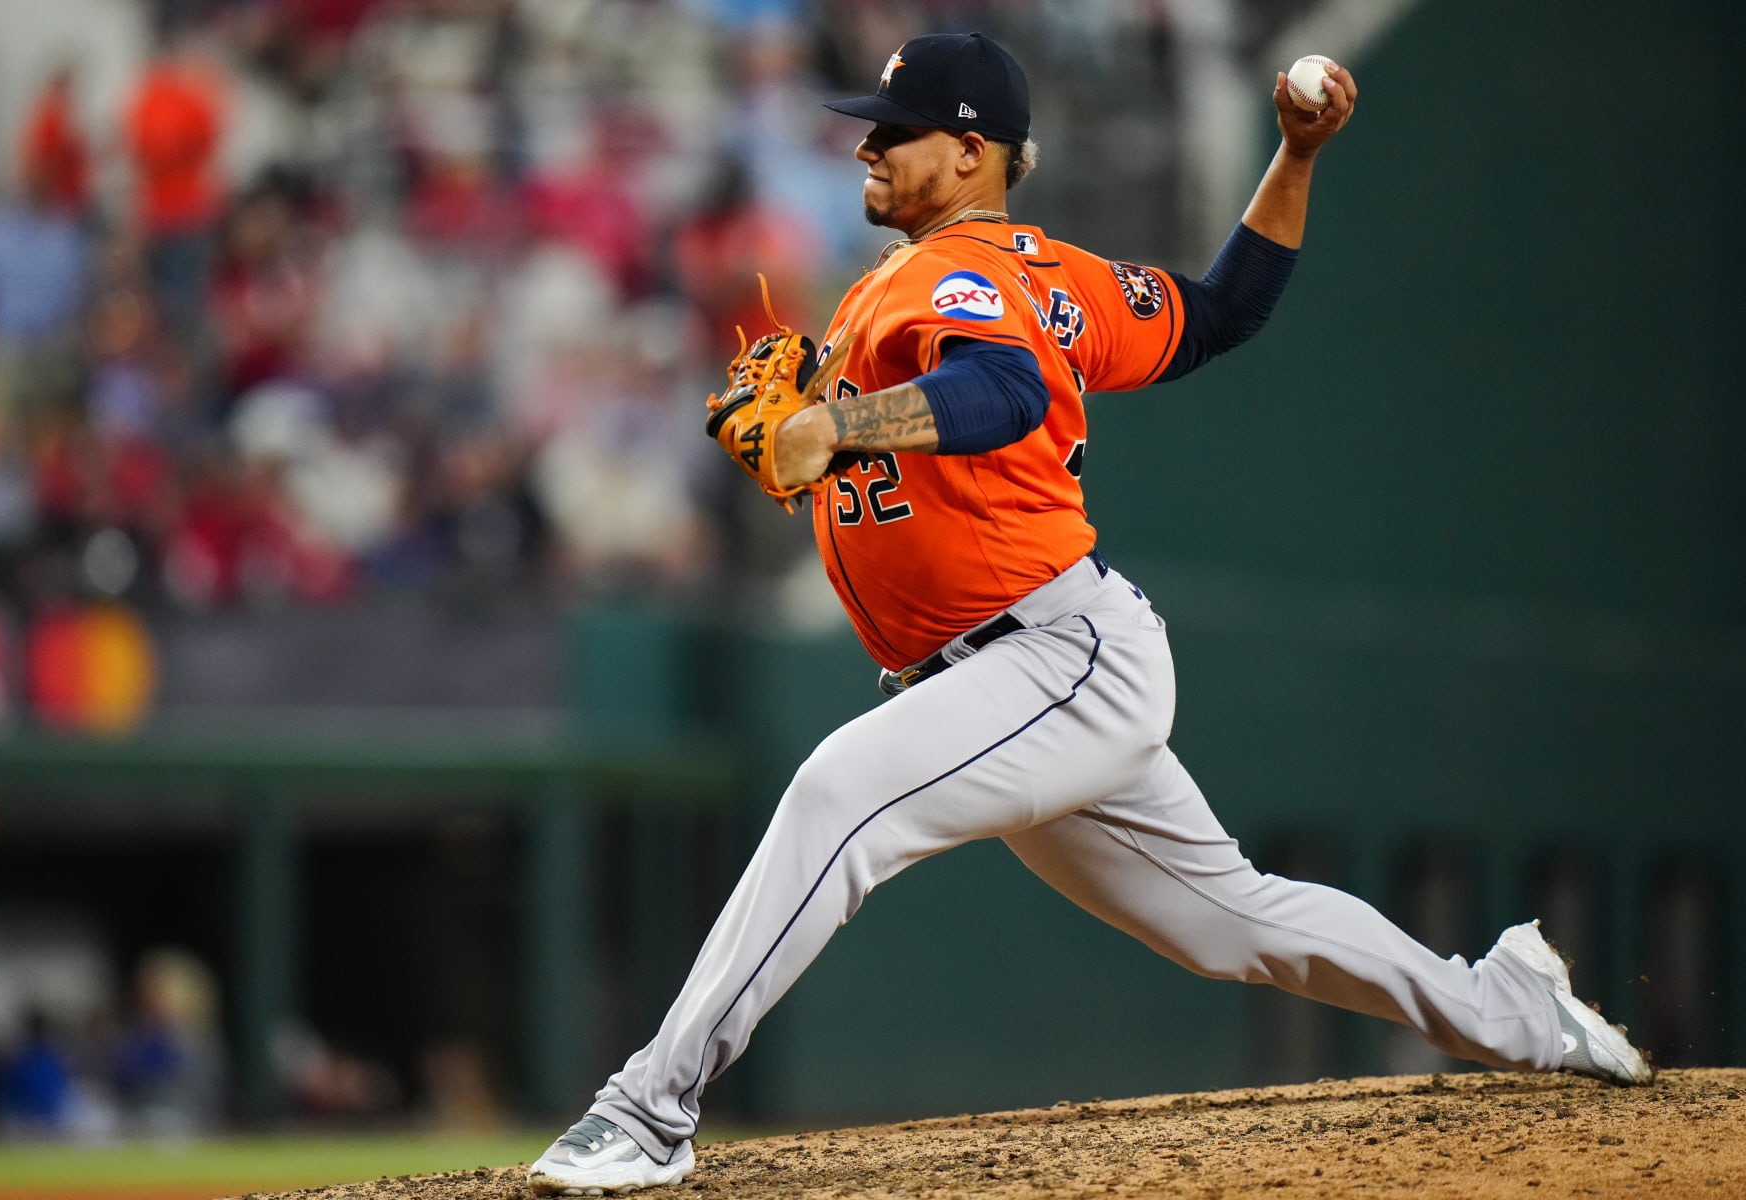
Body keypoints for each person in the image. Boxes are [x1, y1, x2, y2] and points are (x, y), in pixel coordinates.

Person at [525, 32, 1653, 1196]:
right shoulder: (1045, 280)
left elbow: (1002, 391)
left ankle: (647, 1112)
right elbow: (1220, 311)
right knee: (1236, 922)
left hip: (1050, 656)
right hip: (1020, 672)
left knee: (837, 794)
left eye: (892, 130)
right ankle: (1511, 1008)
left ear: (969, 153)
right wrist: (1298, 156)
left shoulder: (950, 278)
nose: (865, 144)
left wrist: (837, 427)